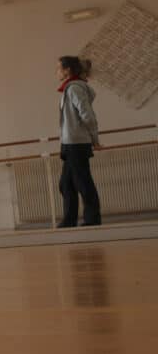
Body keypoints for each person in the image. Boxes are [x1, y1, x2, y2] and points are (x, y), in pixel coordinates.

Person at [57, 56, 101, 228]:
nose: (57, 72)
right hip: (70, 143)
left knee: (83, 181)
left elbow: (88, 115)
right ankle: (69, 219)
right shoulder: (70, 88)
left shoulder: (74, 88)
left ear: (67, 70)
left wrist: (95, 139)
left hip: (76, 143)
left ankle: (92, 218)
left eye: (59, 68)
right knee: (66, 183)